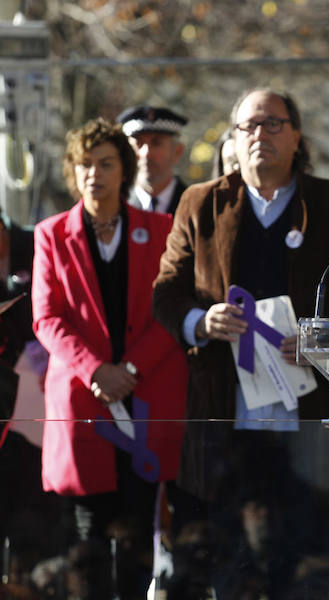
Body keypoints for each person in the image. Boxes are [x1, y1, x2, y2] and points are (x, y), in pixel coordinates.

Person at [152, 88, 329, 595]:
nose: (259, 136)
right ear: (233, 137)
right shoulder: (200, 203)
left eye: (273, 124)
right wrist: (201, 321)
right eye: (248, 126)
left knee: (309, 566)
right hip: (227, 423)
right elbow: (167, 292)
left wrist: (324, 339)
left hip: (313, 421)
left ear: (296, 135)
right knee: (234, 568)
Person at [30, 118, 188, 600]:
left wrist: (132, 370)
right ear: (73, 173)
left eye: (105, 163)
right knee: (88, 538)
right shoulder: (51, 235)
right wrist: (96, 370)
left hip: (147, 396)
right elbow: (47, 317)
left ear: (124, 170)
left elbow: (171, 308)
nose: (94, 173)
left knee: (139, 534)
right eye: (84, 165)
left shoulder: (162, 229)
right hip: (85, 403)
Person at [116, 105, 188, 215]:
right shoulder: (114, 205)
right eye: (138, 143)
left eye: (156, 143)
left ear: (177, 151)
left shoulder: (195, 205)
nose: (146, 153)